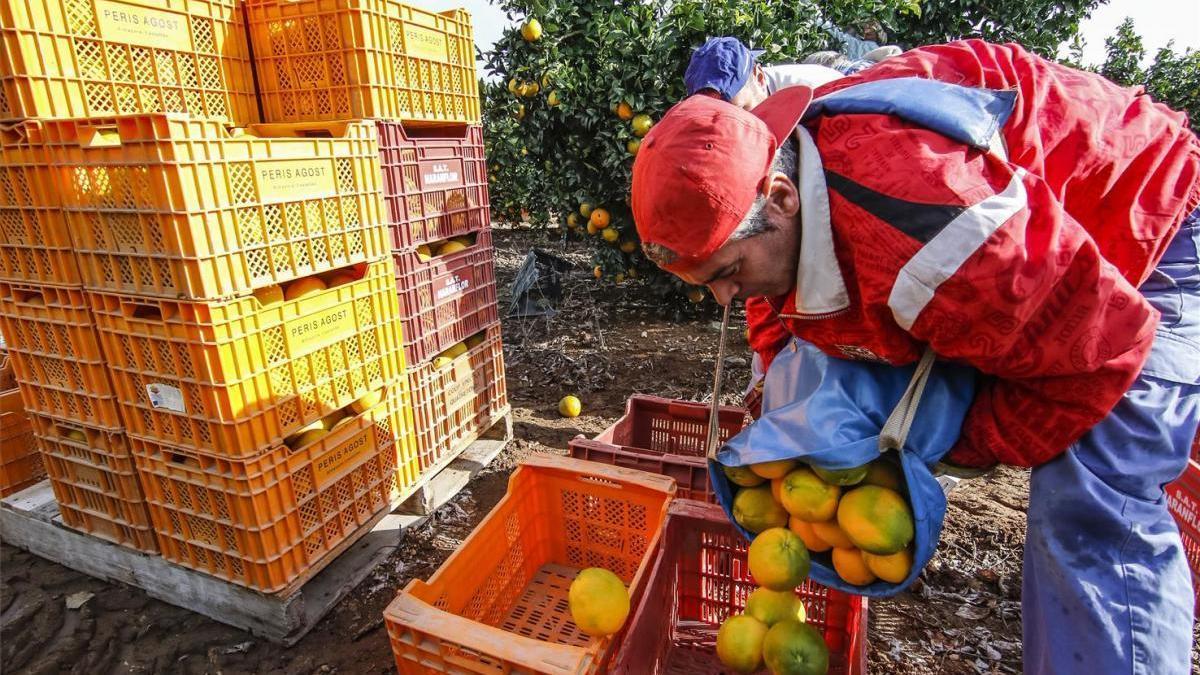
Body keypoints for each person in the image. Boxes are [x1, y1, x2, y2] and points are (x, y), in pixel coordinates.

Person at [633, 39, 1200, 674]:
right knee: (810, 375)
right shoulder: (783, 184)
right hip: (1012, 261)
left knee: (1091, 498)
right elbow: (778, 299)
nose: (723, 297)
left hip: (1147, 222)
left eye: (728, 271)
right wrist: (775, 386)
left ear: (782, 197)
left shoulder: (925, 220)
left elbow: (1106, 348)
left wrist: (970, 442)